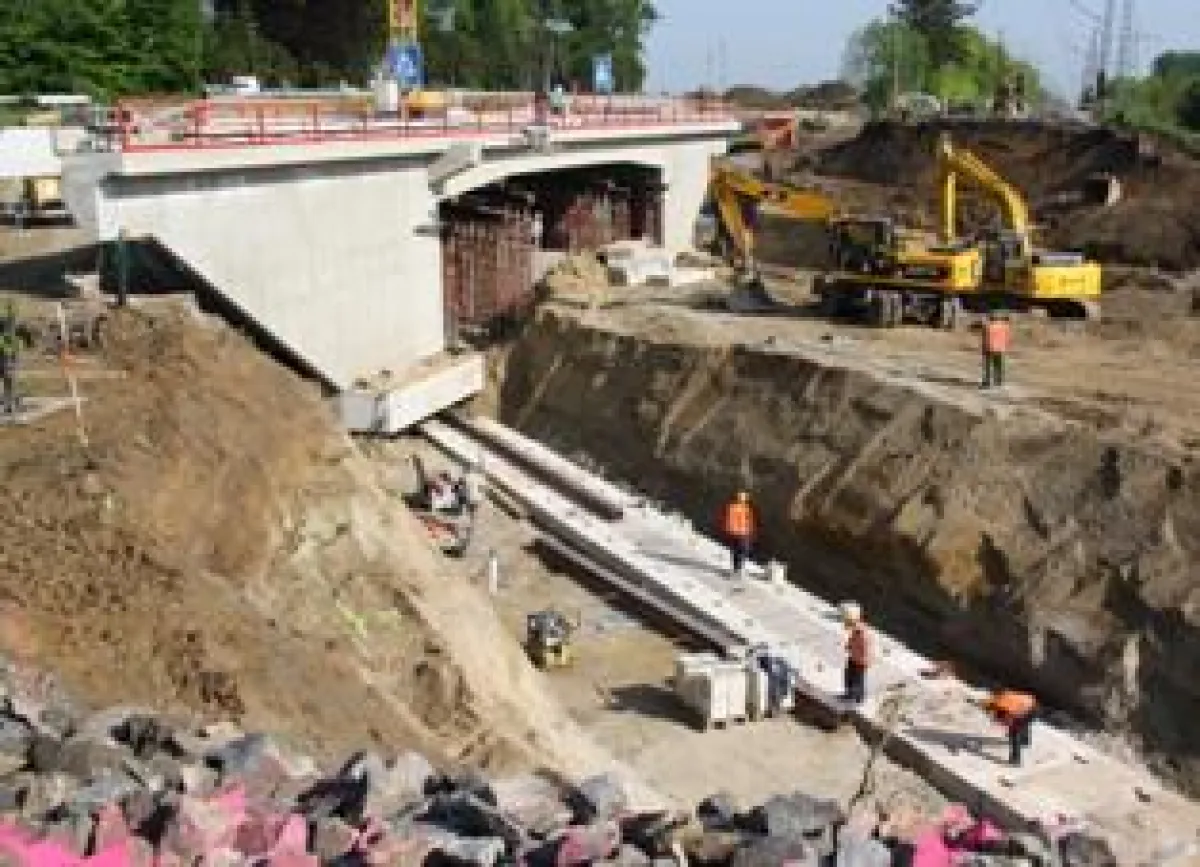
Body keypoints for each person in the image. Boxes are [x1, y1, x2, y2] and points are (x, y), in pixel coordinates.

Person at [981, 689, 1038, 767]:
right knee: (1024, 725)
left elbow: (1010, 718)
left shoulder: (1003, 706)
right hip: (1031, 705)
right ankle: (1025, 741)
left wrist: (1010, 726)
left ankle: (1016, 760)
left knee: (1014, 734)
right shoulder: (1003, 696)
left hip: (1025, 710)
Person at [719, 490, 757, 577]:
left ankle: (737, 569)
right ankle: (738, 569)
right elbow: (748, 521)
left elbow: (750, 521)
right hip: (741, 533)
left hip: (737, 533)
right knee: (741, 551)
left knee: (737, 551)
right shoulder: (744, 508)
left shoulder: (738, 507)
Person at [841, 602, 871, 705]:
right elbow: (852, 639)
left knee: (856, 679)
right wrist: (849, 645)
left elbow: (864, 646)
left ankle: (856, 697)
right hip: (854, 658)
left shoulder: (861, 632)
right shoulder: (857, 629)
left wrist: (851, 646)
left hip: (860, 660)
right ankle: (851, 695)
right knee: (850, 676)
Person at [981, 308, 1011, 389]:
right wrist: (1006, 346)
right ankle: (999, 381)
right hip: (1000, 349)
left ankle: (987, 382)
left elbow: (985, 337)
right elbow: (1007, 337)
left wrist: (983, 347)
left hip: (989, 348)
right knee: (999, 366)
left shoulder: (987, 326)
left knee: (987, 367)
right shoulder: (1005, 326)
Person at [0, 304, 19, 417]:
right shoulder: (7, 336)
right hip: (4, 361)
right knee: (8, 383)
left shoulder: (7, 336)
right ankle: (8, 405)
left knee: (8, 382)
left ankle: (8, 405)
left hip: (4, 360)